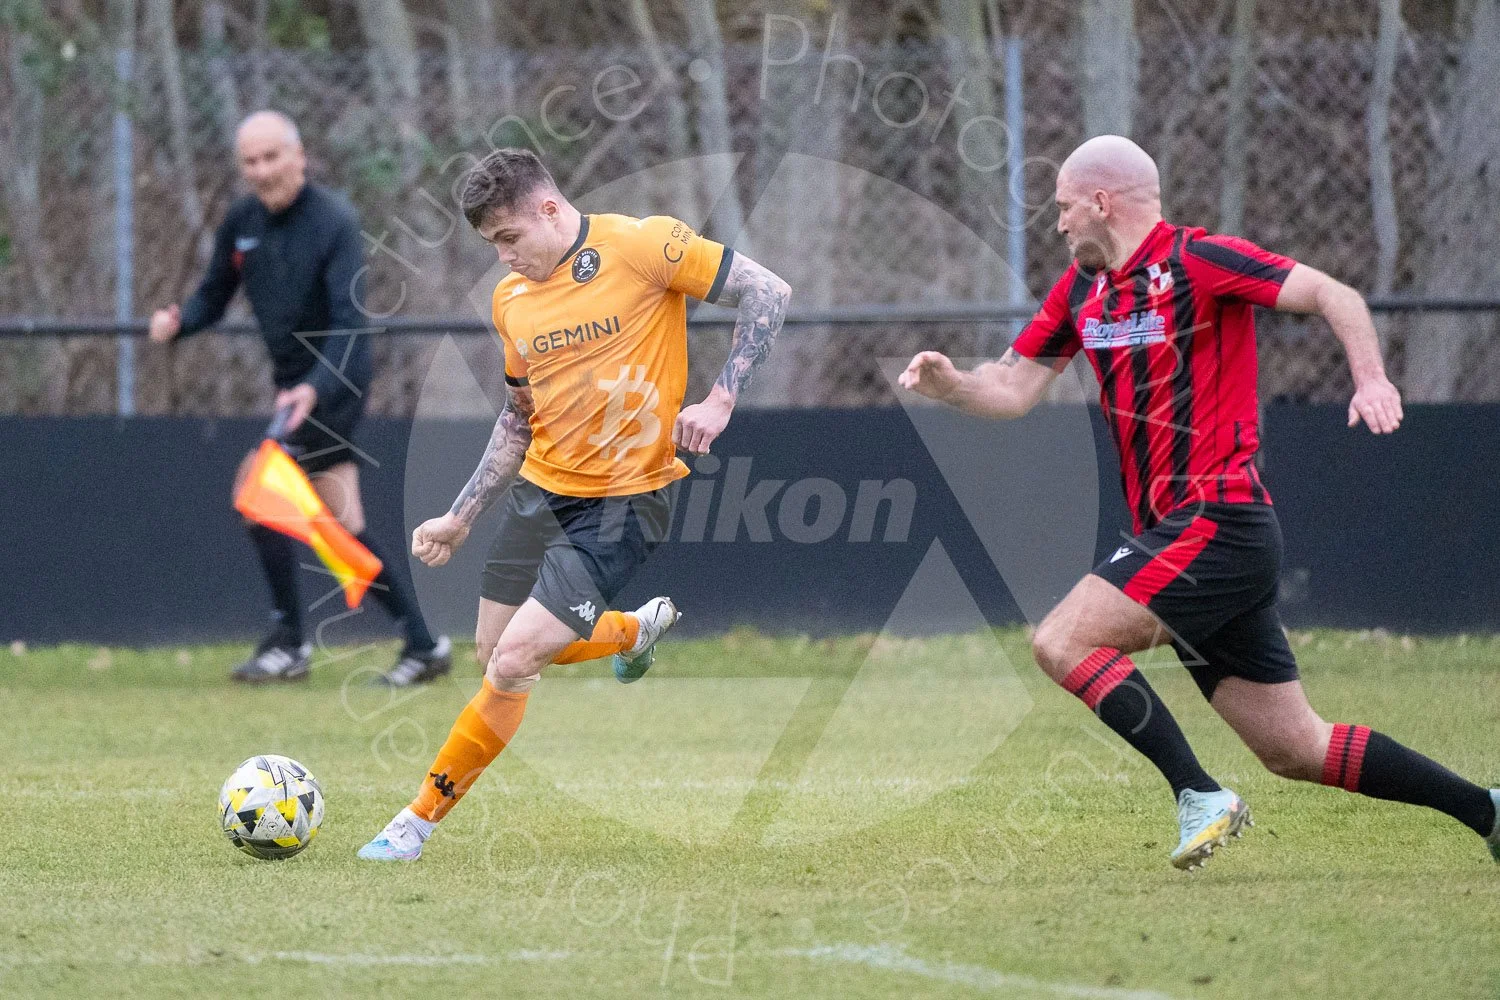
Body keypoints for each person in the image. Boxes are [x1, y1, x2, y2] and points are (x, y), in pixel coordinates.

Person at [900, 134, 1499, 870]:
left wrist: (1371, 378)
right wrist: (951, 385)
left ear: (1100, 202)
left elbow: (1331, 294)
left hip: (1219, 520)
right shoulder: (1081, 291)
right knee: (1295, 748)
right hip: (1185, 538)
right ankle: (1488, 811)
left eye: (1061, 209)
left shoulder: (1199, 260)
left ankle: (1199, 793)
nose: (1055, 225)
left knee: (1062, 641)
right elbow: (1014, 388)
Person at [357, 148, 791, 861]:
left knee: (516, 661)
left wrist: (720, 397)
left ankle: (414, 823)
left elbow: (769, 291)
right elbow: (517, 419)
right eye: (491, 245)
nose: (501, 258)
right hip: (541, 490)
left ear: (550, 210)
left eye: (508, 238)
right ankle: (630, 632)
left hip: (627, 500)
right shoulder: (511, 301)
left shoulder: (645, 244)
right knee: (494, 653)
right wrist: (461, 516)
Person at [149, 111, 450, 686]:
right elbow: (213, 296)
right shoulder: (241, 222)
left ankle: (293, 641)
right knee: (333, 520)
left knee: (259, 494)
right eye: (250, 162)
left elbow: (347, 323)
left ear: (299, 156)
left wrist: (314, 386)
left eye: (271, 157)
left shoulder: (333, 220)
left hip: (335, 382)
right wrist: (178, 320)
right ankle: (419, 641)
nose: (261, 171)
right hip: (295, 389)